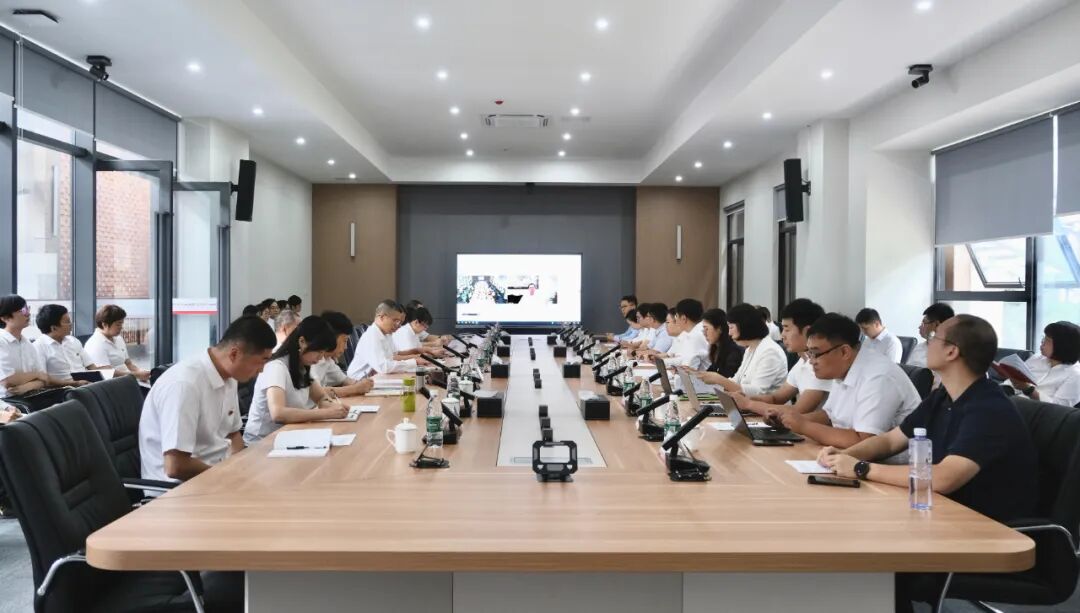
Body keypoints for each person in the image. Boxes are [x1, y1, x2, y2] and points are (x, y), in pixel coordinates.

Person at [818, 315, 1038, 612]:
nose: (927, 342)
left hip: (985, 530)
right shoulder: (944, 397)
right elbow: (891, 440)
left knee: (867, 547)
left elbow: (945, 478)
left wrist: (861, 469)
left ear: (952, 351)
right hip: (941, 515)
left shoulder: (987, 408)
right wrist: (845, 456)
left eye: (934, 338)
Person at [139, 316, 276, 482]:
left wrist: (243, 470)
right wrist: (227, 477)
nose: (261, 370)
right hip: (178, 488)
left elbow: (234, 435)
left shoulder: (230, 377)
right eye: (262, 361)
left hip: (215, 474)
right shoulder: (184, 385)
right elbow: (175, 466)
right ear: (234, 354)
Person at [772, 313, 919, 449]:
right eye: (810, 353)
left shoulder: (878, 376)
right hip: (848, 455)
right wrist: (789, 420)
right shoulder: (843, 368)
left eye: (816, 353)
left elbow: (864, 441)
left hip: (891, 464)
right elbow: (829, 416)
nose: (811, 361)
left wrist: (804, 426)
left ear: (844, 352)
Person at [243, 316, 349, 445]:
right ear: (302, 342)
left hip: (288, 436)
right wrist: (326, 413)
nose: (320, 358)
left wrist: (334, 407)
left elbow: (321, 397)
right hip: (262, 443)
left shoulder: (303, 367)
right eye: (319, 352)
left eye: (323, 353)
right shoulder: (276, 367)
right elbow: (278, 413)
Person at [731, 298, 831, 416]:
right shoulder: (802, 362)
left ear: (807, 332)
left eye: (787, 329)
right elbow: (776, 398)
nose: (782, 335)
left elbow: (798, 411)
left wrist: (749, 404)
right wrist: (747, 398)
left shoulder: (820, 365)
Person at [694, 303, 787, 396]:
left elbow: (758, 392)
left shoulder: (770, 351)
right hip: (746, 403)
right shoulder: (750, 349)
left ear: (744, 326)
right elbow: (736, 380)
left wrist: (718, 379)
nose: (729, 333)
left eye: (731, 327)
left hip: (764, 405)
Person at [1, 295, 77, 397]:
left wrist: (27, 386)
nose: (28, 314)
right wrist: (37, 375)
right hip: (6, 401)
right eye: (22, 310)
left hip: (30, 397)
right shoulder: (2, 341)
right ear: (5, 318)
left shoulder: (27, 344)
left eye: (27, 309)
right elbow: (7, 380)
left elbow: (44, 380)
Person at [347, 300, 427, 378]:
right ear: (382, 317)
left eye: (400, 322)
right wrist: (413, 362)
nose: (399, 325)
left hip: (375, 377)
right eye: (396, 320)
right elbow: (383, 367)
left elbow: (393, 357)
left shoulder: (387, 334)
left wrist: (416, 357)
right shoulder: (372, 335)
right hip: (357, 381)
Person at [1011, 321, 1080, 407]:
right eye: (1044, 338)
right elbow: (1015, 380)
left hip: (1035, 412)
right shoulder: (1037, 358)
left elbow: (1058, 408)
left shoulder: (1075, 375)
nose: (1042, 343)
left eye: (1047, 340)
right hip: (1013, 403)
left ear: (1062, 346)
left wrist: (1029, 390)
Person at [33, 304, 106, 382]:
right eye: (67, 322)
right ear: (54, 328)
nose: (71, 324)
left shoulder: (73, 341)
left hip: (86, 384)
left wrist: (109, 371)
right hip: (62, 387)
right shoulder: (38, 347)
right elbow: (43, 379)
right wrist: (74, 383)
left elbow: (91, 367)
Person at [314, 311, 375, 397]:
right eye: (345, 341)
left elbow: (345, 381)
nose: (346, 347)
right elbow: (317, 392)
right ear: (332, 337)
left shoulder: (327, 360)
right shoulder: (313, 360)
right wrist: (356, 388)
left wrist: (363, 384)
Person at [84, 305, 151, 382]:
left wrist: (141, 372)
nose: (121, 327)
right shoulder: (95, 344)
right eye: (118, 324)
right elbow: (108, 373)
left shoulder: (118, 338)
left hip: (127, 380)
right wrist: (137, 375)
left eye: (122, 323)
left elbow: (129, 364)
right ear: (104, 325)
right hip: (112, 384)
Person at [660, 299, 709, 370]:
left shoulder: (697, 335)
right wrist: (661, 361)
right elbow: (682, 359)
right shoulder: (689, 333)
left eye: (676, 316)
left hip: (698, 376)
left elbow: (688, 367)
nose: (676, 321)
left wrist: (670, 365)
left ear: (683, 318)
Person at [904, 303, 954, 368]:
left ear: (937, 325)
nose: (920, 327)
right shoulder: (919, 347)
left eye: (924, 323)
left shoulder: (951, 353)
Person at [700, 308, 743, 377]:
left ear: (719, 329)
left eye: (707, 329)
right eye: (703, 329)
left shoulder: (733, 352)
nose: (704, 333)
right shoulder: (717, 349)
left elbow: (727, 379)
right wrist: (694, 373)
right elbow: (710, 373)